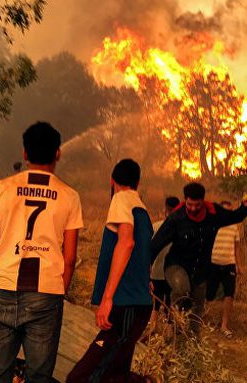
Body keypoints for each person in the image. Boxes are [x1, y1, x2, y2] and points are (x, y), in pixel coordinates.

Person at [0, 122, 83, 383]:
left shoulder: (1, 189)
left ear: (25, 154)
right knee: (39, 376)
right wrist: (57, 292)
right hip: (45, 294)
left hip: (2, 288)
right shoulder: (70, 196)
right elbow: (70, 257)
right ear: (58, 154)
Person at [67, 158, 154, 383]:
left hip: (125, 307)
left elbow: (126, 243)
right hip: (137, 306)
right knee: (115, 374)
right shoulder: (141, 209)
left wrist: (107, 299)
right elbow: (143, 253)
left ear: (112, 181)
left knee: (81, 378)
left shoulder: (121, 199)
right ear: (137, 182)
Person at [151, 182, 247, 333]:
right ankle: (175, 330)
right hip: (176, 267)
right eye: (190, 204)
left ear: (203, 202)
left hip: (200, 271)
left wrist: (245, 207)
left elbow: (234, 216)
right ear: (185, 200)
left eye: (197, 205)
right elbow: (156, 244)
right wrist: (146, 268)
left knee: (198, 306)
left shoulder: (214, 214)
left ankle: (193, 339)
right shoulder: (176, 218)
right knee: (181, 292)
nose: (193, 208)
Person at [206, 200, 243, 338]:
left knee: (229, 294)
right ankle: (205, 321)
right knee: (209, 294)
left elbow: (237, 248)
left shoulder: (234, 227)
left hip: (229, 264)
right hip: (213, 263)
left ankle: (224, 325)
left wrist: (239, 265)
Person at [149, 196, 179, 328]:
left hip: (156, 272)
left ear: (165, 209)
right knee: (169, 303)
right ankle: (168, 334)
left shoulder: (156, 226)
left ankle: (152, 329)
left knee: (155, 304)